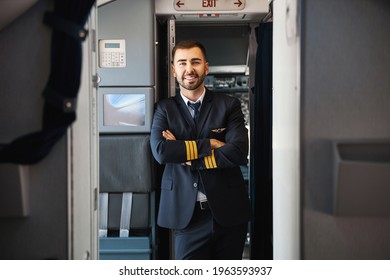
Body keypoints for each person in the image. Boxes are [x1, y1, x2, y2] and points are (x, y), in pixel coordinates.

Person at [150, 40, 251, 260]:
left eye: (195, 62)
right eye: (182, 63)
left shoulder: (229, 105)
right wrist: (211, 144)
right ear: (174, 70)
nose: (189, 69)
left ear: (206, 67)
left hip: (229, 214)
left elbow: (238, 152)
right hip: (187, 217)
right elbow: (161, 151)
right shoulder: (164, 109)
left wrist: (187, 156)